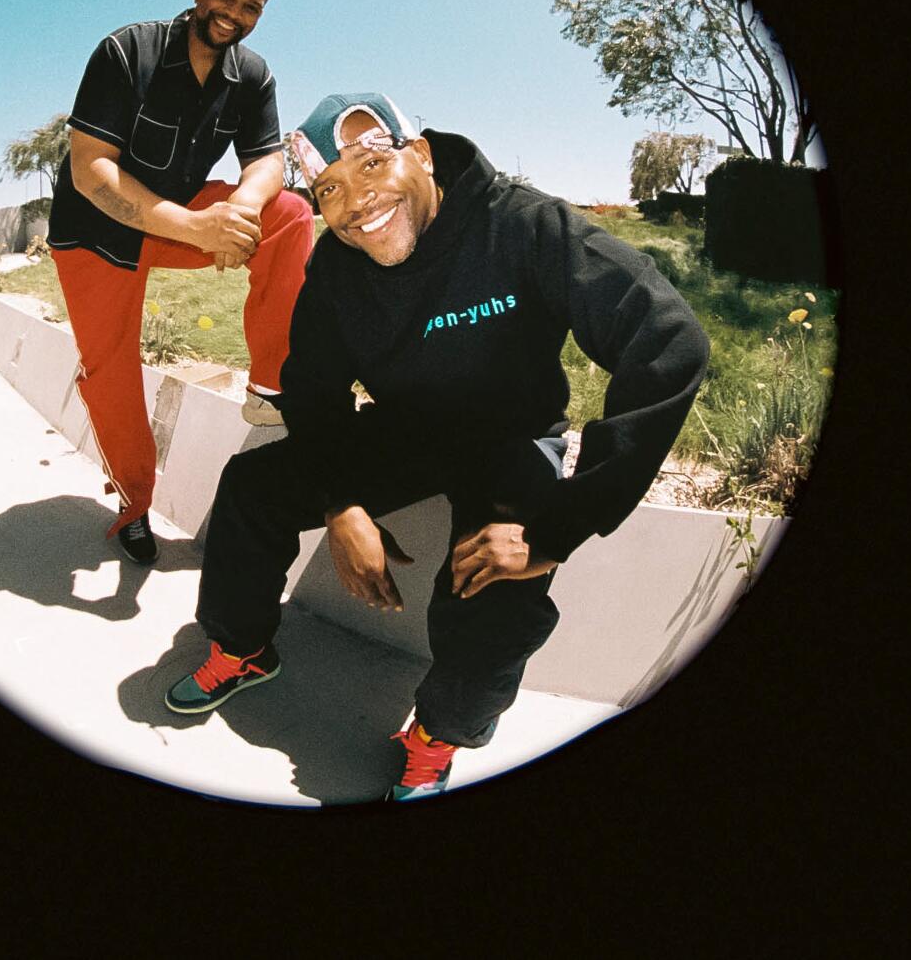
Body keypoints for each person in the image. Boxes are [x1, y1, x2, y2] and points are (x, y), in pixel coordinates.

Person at [163, 91, 710, 801]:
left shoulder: (521, 222)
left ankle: (437, 736)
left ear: (419, 153)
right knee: (252, 486)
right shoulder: (335, 265)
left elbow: (668, 339)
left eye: (371, 163)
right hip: (407, 428)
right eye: (330, 187)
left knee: (501, 583)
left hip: (511, 435)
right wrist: (341, 502)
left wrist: (560, 527)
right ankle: (241, 647)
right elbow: (313, 388)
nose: (356, 201)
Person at [47, 0, 314, 566]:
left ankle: (270, 385)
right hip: (95, 233)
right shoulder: (126, 50)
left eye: (251, 7)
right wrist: (198, 227)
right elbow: (92, 171)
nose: (235, 13)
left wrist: (240, 212)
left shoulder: (253, 76)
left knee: (290, 214)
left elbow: (267, 160)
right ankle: (134, 505)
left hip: (177, 221)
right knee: (110, 373)